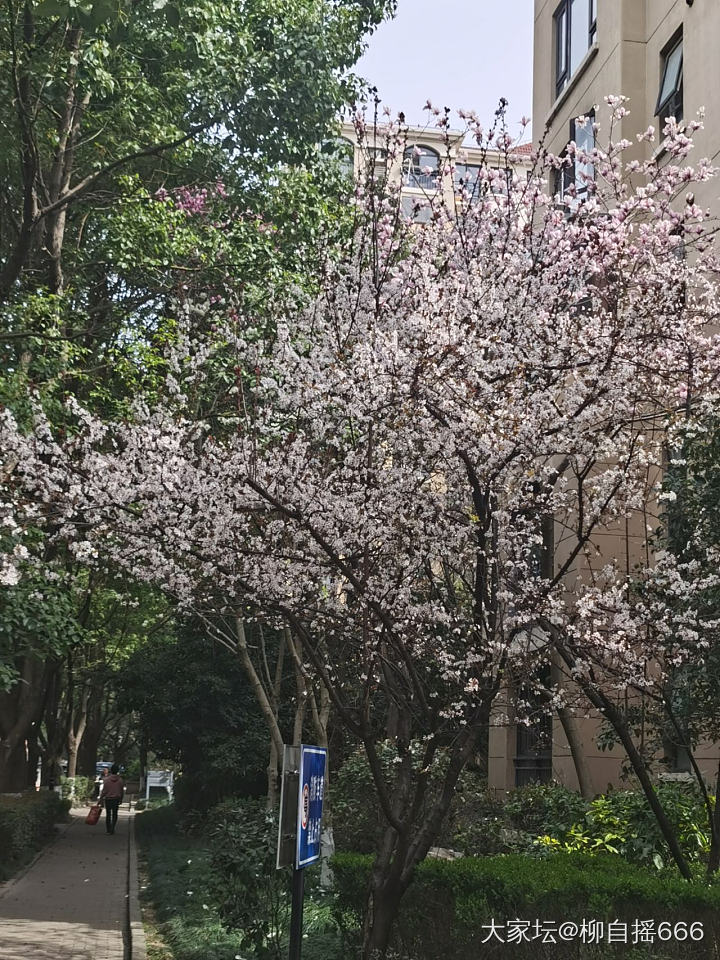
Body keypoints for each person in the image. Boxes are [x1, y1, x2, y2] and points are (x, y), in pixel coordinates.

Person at [98, 763, 124, 834]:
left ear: (111, 770)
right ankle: (113, 828)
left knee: (108, 814)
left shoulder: (106, 780)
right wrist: (121, 799)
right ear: (117, 771)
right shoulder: (120, 780)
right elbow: (121, 791)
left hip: (108, 799)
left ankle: (108, 830)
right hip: (116, 799)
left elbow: (104, 791)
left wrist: (100, 799)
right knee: (115, 814)